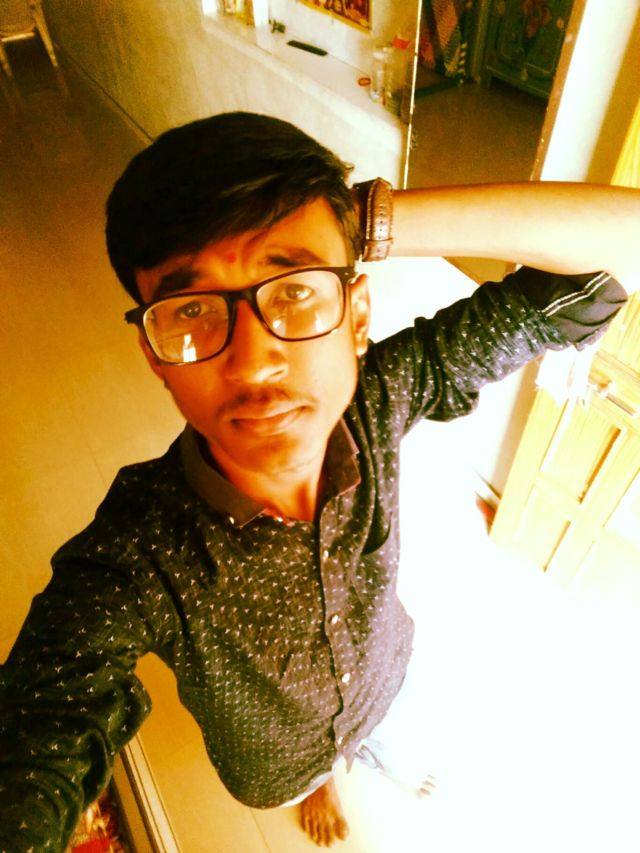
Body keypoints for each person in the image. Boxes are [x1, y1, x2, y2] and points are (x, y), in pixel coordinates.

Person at [0, 111, 638, 852]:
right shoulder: (136, 554)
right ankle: (322, 783)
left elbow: (616, 253)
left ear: (357, 314)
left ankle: (371, 753)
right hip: (275, 765)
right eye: (192, 310)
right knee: (308, 778)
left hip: (388, 679)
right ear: (154, 355)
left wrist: (359, 221)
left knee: (395, 737)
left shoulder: (381, 396)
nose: (253, 362)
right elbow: (39, 728)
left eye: (296, 290)